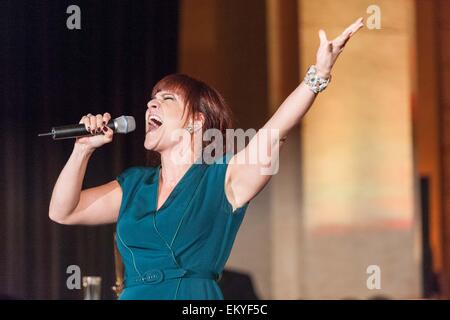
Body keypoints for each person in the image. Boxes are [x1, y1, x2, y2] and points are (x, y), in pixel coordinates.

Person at [48, 18, 364, 300]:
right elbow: (64, 211)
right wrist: (82, 149)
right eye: (151, 99)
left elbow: (273, 133)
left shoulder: (222, 178)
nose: (150, 105)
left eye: (166, 99)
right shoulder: (134, 184)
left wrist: (318, 74)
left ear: (196, 122)